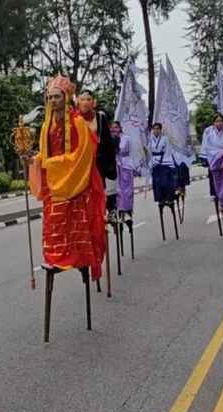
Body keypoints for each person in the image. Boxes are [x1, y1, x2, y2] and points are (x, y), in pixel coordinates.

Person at [27, 75, 106, 281]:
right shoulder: (46, 127)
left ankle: (78, 258)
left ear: (66, 98)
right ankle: (54, 258)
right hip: (54, 187)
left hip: (74, 184)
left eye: (56, 97)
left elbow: (83, 154)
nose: (52, 101)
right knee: (53, 224)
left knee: (76, 227)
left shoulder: (78, 123)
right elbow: (44, 156)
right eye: (49, 97)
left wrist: (54, 165)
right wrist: (33, 161)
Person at [76, 89, 118, 221]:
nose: (85, 103)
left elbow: (107, 140)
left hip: (98, 159)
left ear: (93, 102)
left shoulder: (99, 117)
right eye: (82, 100)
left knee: (104, 188)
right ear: (78, 102)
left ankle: (109, 210)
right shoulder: (74, 118)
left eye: (88, 100)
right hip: (80, 160)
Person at [110, 121, 139, 222]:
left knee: (127, 190)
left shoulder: (127, 139)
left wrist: (135, 167)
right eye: (112, 128)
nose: (114, 129)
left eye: (116, 127)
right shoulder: (108, 139)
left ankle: (127, 210)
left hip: (126, 165)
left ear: (120, 128)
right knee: (115, 189)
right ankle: (116, 209)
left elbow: (133, 153)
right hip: (114, 165)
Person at [149, 122, 177, 209]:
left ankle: (169, 198)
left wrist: (165, 160)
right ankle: (160, 199)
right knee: (157, 183)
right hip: (154, 162)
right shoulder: (149, 139)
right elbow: (148, 152)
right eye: (154, 129)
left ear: (160, 130)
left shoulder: (165, 139)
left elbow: (168, 150)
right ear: (152, 130)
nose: (156, 131)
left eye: (158, 129)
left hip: (164, 161)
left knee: (166, 182)